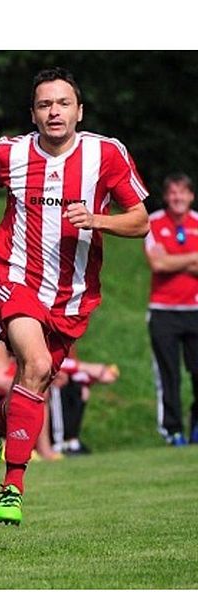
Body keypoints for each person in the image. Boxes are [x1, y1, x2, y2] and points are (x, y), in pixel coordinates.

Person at [0, 66, 149, 526]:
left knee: (36, 380)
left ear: (79, 111)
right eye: (45, 104)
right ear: (33, 113)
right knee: (34, 364)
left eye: (63, 103)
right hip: (13, 275)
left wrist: (97, 220)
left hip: (71, 296)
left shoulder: (106, 154)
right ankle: (12, 487)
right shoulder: (9, 153)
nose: (54, 112)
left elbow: (140, 220)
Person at [144, 172, 198, 446]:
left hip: (195, 309)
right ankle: (173, 431)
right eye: (173, 193)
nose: (178, 198)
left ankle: (196, 424)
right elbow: (157, 264)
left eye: (182, 192)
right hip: (163, 310)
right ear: (166, 197)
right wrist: (193, 258)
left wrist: (172, 260)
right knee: (169, 374)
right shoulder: (153, 222)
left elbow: (166, 262)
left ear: (191, 196)